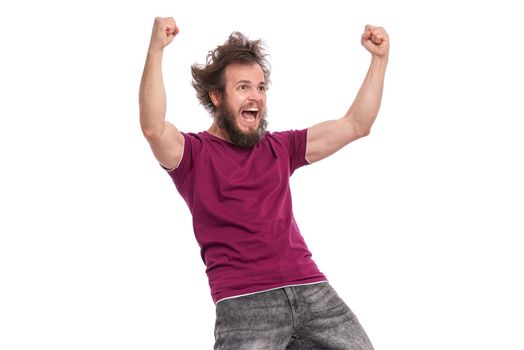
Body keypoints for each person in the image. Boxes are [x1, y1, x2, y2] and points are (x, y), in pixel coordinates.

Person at [139, 16, 388, 350]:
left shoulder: (281, 148)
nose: (255, 97)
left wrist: (379, 59)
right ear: (217, 97)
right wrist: (156, 49)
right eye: (243, 87)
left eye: (260, 87)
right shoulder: (194, 155)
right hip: (246, 302)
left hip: (311, 289)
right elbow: (154, 128)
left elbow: (357, 124)